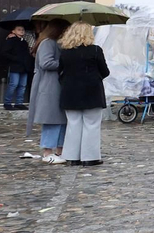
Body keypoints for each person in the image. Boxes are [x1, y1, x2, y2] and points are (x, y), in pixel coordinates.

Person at [57, 22, 109, 166]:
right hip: (92, 91)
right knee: (91, 124)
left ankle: (72, 157)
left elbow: (60, 73)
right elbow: (105, 71)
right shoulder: (96, 50)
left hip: (70, 92)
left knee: (73, 125)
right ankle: (89, 157)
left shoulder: (65, 52)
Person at [28, 20, 67, 162]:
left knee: (61, 118)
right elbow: (46, 63)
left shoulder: (54, 43)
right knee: (51, 118)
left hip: (57, 84)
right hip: (49, 85)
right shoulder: (47, 43)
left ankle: (60, 149)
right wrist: (65, 63)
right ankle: (47, 151)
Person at [0, 24, 33, 110]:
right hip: (15, 66)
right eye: (19, 29)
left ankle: (19, 102)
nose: (21, 31)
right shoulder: (11, 41)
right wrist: (15, 59)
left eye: (22, 29)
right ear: (13, 31)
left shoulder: (25, 42)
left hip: (24, 66)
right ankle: (7, 103)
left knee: (22, 85)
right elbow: (4, 52)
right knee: (13, 84)